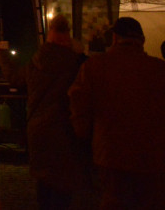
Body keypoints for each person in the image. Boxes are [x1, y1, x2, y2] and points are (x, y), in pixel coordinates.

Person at [69, 16, 165, 209]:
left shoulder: (94, 67)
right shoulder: (159, 70)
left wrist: (86, 136)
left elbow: (79, 104)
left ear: (114, 38)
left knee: (114, 201)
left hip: (109, 152)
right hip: (151, 155)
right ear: (142, 40)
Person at [0, 15, 88, 210]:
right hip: (66, 130)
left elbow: (14, 79)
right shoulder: (76, 64)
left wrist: (2, 56)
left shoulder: (35, 63)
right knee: (63, 185)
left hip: (39, 130)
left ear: (49, 36)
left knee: (44, 183)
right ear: (67, 37)